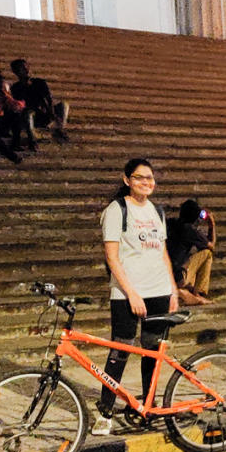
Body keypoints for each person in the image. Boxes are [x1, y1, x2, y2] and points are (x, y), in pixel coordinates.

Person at [96, 158, 179, 435]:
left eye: (150, 178)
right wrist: (131, 293)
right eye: (140, 177)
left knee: (152, 350)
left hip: (158, 290)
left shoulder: (157, 210)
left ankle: (148, 406)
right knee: (120, 351)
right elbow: (112, 257)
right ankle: (105, 411)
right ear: (126, 180)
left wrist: (173, 289)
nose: (146, 182)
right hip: (126, 293)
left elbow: (162, 253)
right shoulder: (116, 210)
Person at [9, 59, 69, 149]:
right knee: (28, 113)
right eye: (22, 68)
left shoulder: (39, 82)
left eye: (26, 67)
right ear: (16, 72)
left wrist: (51, 113)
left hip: (45, 112)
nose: (26, 70)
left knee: (64, 105)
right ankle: (32, 140)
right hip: (32, 115)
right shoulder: (16, 87)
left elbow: (48, 99)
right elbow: (20, 104)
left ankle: (60, 129)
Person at [166, 199, 215, 305]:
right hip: (178, 275)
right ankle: (198, 292)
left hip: (167, 272)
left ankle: (187, 289)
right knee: (207, 253)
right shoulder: (190, 230)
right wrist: (212, 225)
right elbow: (212, 246)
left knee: (191, 253)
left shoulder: (172, 223)